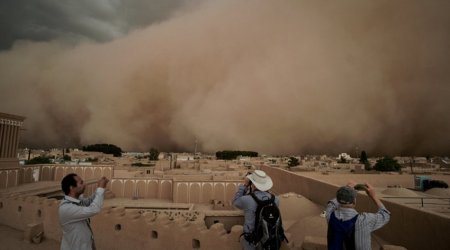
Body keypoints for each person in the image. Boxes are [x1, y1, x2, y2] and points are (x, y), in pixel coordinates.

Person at [326, 182, 391, 250]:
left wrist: (344, 192)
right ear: (354, 201)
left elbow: (331, 204)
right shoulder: (364, 220)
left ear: (338, 200)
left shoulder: (330, 215)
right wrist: (373, 196)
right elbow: (385, 215)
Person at [59, 173, 109, 250]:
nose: (84, 185)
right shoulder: (67, 208)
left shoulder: (77, 201)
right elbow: (94, 209)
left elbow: (89, 201)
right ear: (71, 187)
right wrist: (100, 188)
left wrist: (100, 188)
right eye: (81, 183)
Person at [233, 170, 280, 250]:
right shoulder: (276, 199)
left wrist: (245, 185)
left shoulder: (247, 200)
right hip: (269, 240)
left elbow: (235, 202)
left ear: (253, 184)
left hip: (252, 242)